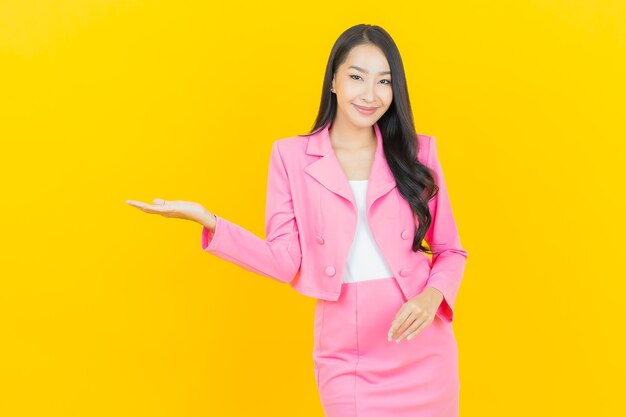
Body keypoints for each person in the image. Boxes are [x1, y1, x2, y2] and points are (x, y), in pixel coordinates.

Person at [127, 24, 468, 417]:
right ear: (334, 81)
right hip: (346, 350)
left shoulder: (418, 152)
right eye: (357, 77)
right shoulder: (291, 157)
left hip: (421, 342)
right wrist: (210, 221)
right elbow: (284, 259)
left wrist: (431, 297)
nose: (370, 94)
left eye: (384, 81)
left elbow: (451, 250)